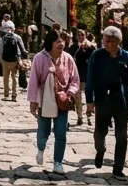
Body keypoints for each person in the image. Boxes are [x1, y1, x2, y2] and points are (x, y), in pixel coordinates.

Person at [86, 26, 128, 179]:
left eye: (110, 41)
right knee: (99, 133)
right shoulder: (97, 55)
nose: (107, 43)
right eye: (105, 40)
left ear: (118, 41)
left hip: (121, 100)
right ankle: (100, 151)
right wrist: (89, 101)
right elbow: (90, 79)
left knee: (122, 136)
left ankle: (118, 169)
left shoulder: (127, 58)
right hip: (102, 98)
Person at [28, 29, 81, 174]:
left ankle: (58, 162)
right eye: (58, 41)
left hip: (62, 100)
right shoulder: (40, 58)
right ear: (50, 42)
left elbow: (75, 79)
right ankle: (41, 148)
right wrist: (33, 101)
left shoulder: (68, 58)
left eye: (62, 41)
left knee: (61, 132)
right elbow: (33, 81)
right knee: (43, 131)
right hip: (45, 100)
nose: (61, 44)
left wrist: (70, 92)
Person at [73, 28, 96, 126]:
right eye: (78, 35)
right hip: (78, 75)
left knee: (89, 97)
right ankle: (79, 116)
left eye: (82, 35)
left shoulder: (91, 46)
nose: (80, 37)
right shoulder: (74, 47)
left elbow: (94, 59)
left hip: (89, 75)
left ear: (85, 35)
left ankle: (89, 116)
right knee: (77, 97)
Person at [0, 25, 28, 101]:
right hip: (14, 60)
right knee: (14, 77)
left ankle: (6, 94)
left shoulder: (4, 37)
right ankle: (14, 95)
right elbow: (22, 49)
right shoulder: (17, 37)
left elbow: (0, 48)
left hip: (5, 60)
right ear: (14, 29)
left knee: (6, 77)